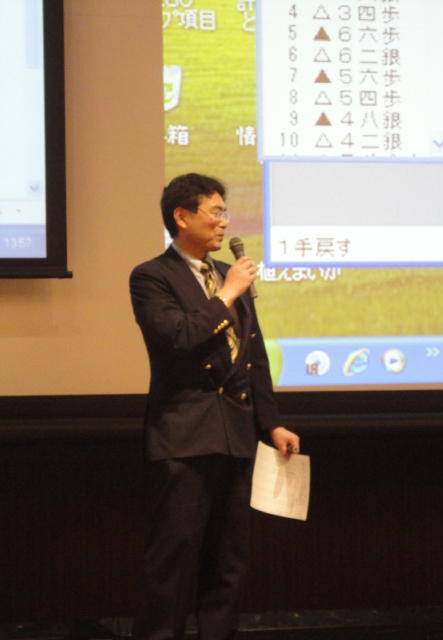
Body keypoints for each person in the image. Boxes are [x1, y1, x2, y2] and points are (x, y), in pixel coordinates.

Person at [129, 173, 299, 640]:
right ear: (182, 217)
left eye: (226, 212)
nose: (225, 222)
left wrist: (272, 424)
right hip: (183, 437)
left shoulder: (227, 274)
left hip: (236, 433)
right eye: (216, 212)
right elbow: (177, 338)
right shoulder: (152, 276)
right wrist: (227, 295)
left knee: (228, 559)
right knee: (173, 556)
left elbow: (253, 355)